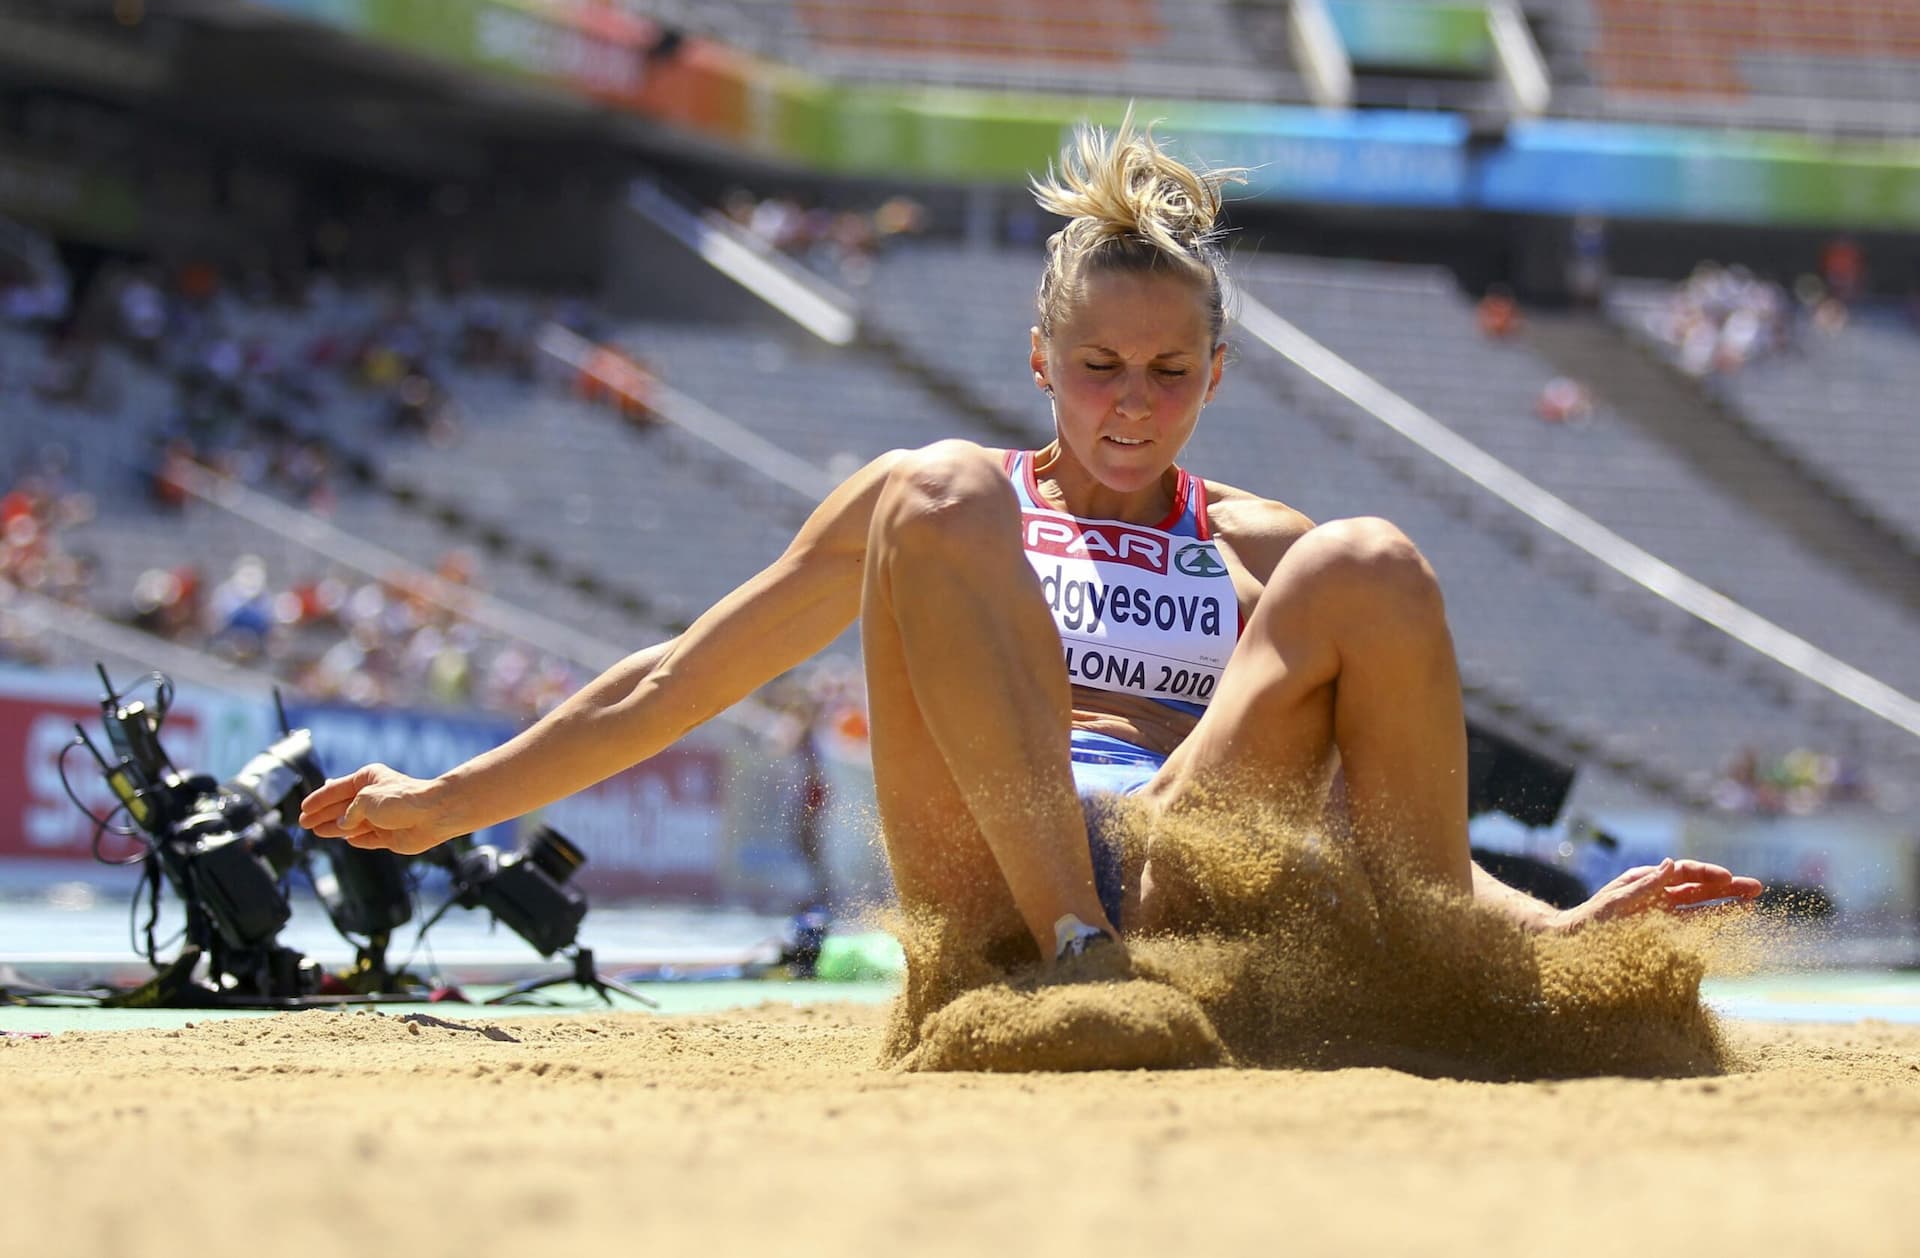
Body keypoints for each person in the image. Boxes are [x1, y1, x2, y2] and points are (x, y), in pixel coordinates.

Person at [299, 115, 1760, 969]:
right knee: (926, 487)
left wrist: (1549, 932)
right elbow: (677, 678)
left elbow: (1382, 849)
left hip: (1183, 861)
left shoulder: (1263, 547)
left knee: (1370, 558)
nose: (1132, 406)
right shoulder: (951, 513)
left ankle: (1126, 961)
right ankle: (1074, 960)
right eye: (1100, 367)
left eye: (1168, 372)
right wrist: (449, 801)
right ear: (1042, 362)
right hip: (995, 872)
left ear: (1214, 377)